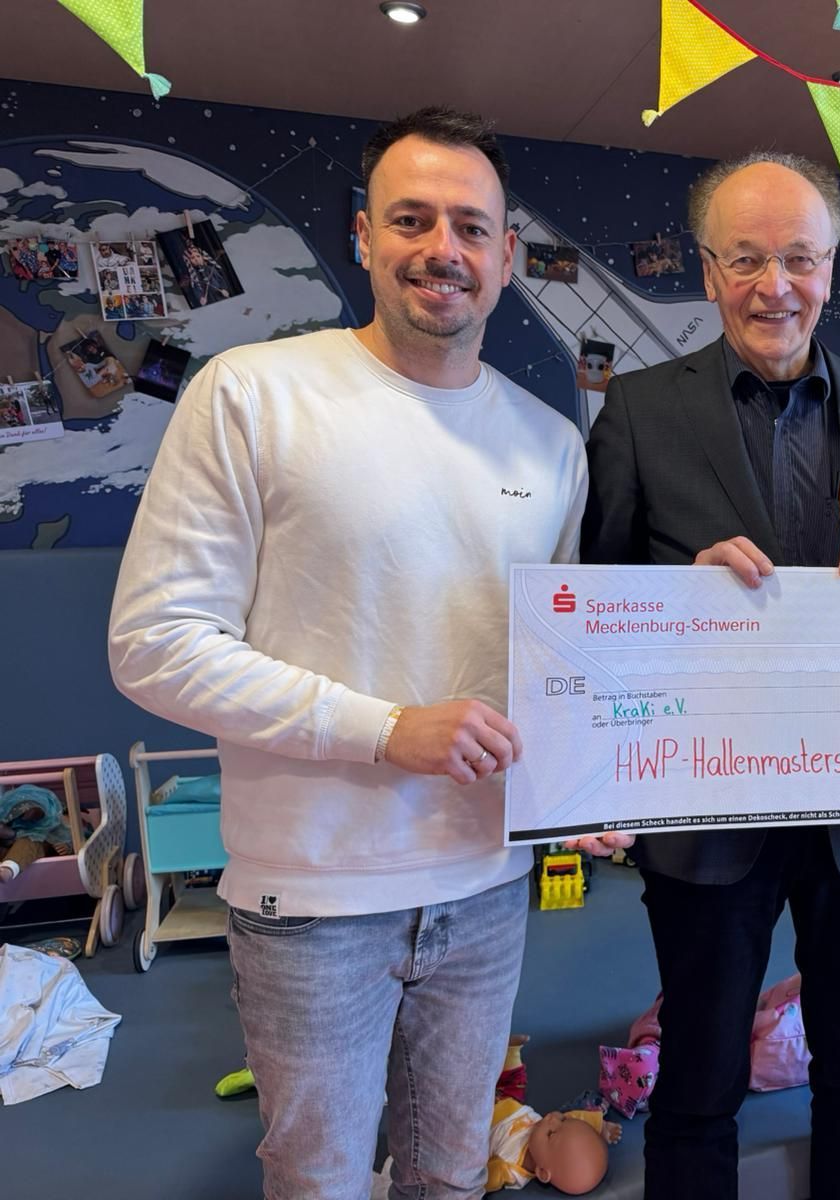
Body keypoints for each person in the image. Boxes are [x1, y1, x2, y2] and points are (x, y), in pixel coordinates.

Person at [108, 106, 619, 1199]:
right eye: (411, 218)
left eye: (471, 227)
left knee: (452, 1175)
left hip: (489, 887)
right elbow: (155, 645)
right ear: (363, 234)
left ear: (507, 256)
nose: (444, 248)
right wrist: (385, 731)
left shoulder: (550, 443)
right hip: (312, 896)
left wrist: (590, 780)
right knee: (320, 1180)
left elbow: (554, 668)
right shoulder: (252, 393)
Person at [582, 150, 840, 1200]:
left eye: (798, 257)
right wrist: (677, 595)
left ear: (831, 267)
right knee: (699, 1080)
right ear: (707, 272)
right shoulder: (638, 411)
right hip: (706, 817)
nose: (773, 285)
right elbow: (593, 606)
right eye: (745, 258)